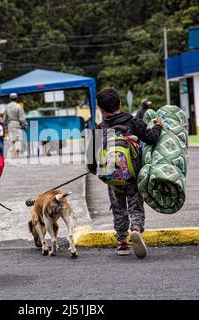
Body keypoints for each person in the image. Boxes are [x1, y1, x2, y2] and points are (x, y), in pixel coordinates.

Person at [87, 88, 163, 258]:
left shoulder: (99, 129)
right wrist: (158, 127)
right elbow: (151, 137)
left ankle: (122, 243)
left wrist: (96, 171)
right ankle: (135, 228)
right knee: (135, 205)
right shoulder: (133, 122)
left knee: (118, 208)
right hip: (133, 176)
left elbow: (91, 161)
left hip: (112, 179)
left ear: (100, 108)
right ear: (120, 104)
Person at [5, 93, 27, 157]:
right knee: (18, 139)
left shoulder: (7, 107)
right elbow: (22, 118)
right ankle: (17, 150)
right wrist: (24, 125)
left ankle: (12, 153)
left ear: (10, 98)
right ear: (16, 98)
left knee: (11, 139)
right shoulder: (19, 106)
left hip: (10, 125)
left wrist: (5, 125)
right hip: (17, 124)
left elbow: (5, 118)